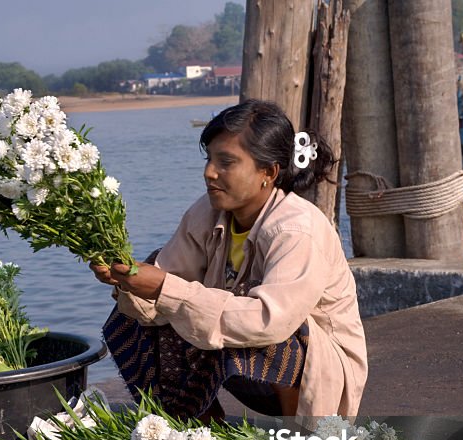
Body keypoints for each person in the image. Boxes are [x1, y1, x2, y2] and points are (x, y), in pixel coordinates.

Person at [91, 99, 367, 421]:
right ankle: (198, 438)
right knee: (146, 308)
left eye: (227, 162)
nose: (210, 173)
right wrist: (130, 281)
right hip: (247, 362)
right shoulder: (205, 213)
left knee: (261, 323)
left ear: (268, 172)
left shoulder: (296, 229)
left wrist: (166, 288)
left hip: (320, 372)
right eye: (209, 159)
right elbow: (169, 280)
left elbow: (270, 321)